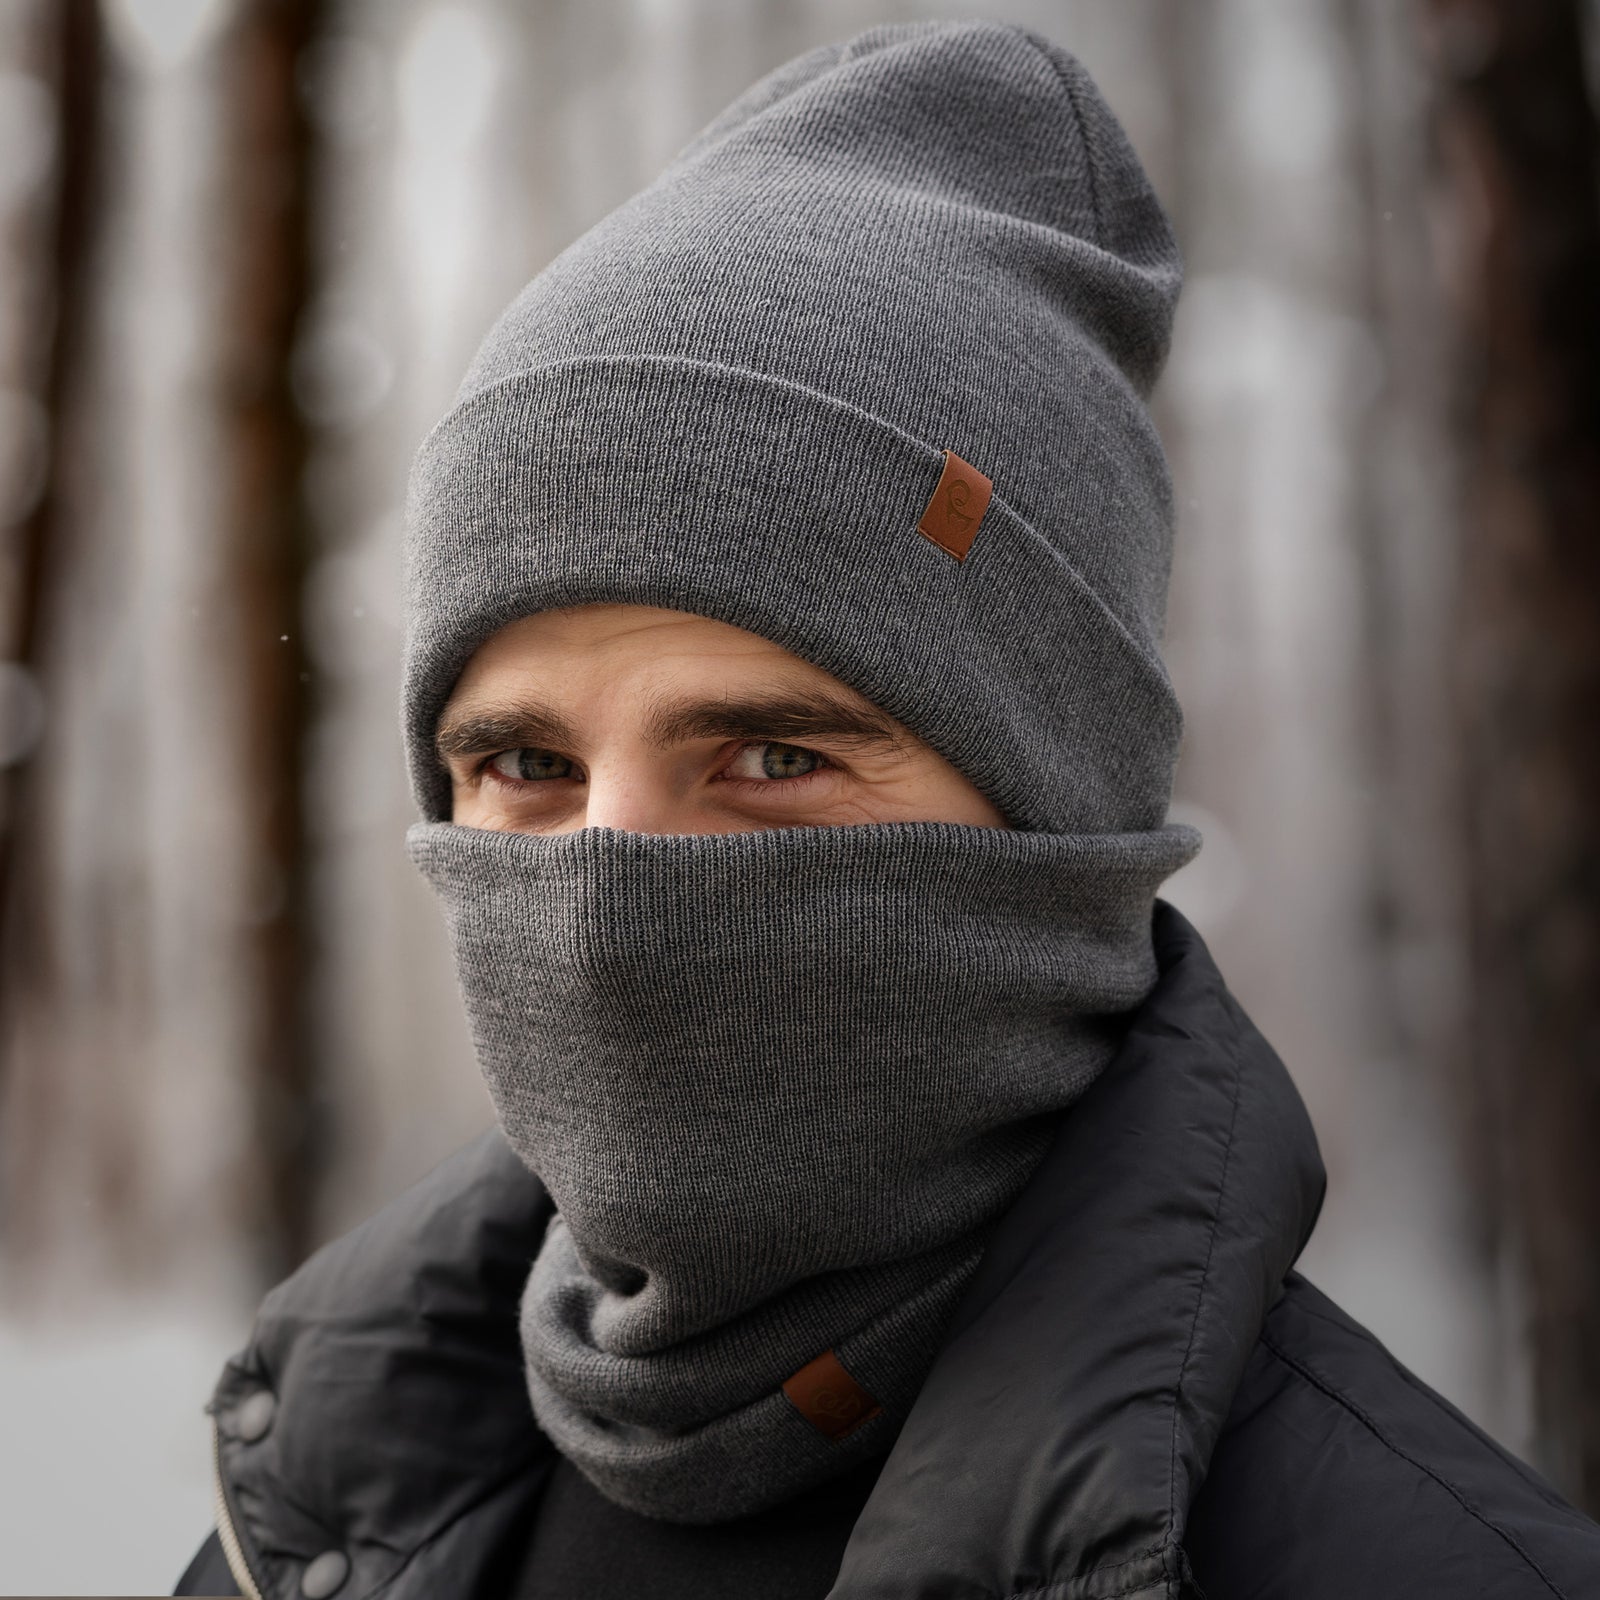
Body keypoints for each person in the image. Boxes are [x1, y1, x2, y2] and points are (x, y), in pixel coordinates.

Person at [175, 20, 1600, 1599]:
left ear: (1060, 817)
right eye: (527, 767)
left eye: (775, 760)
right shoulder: (316, 1514)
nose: (603, 908)